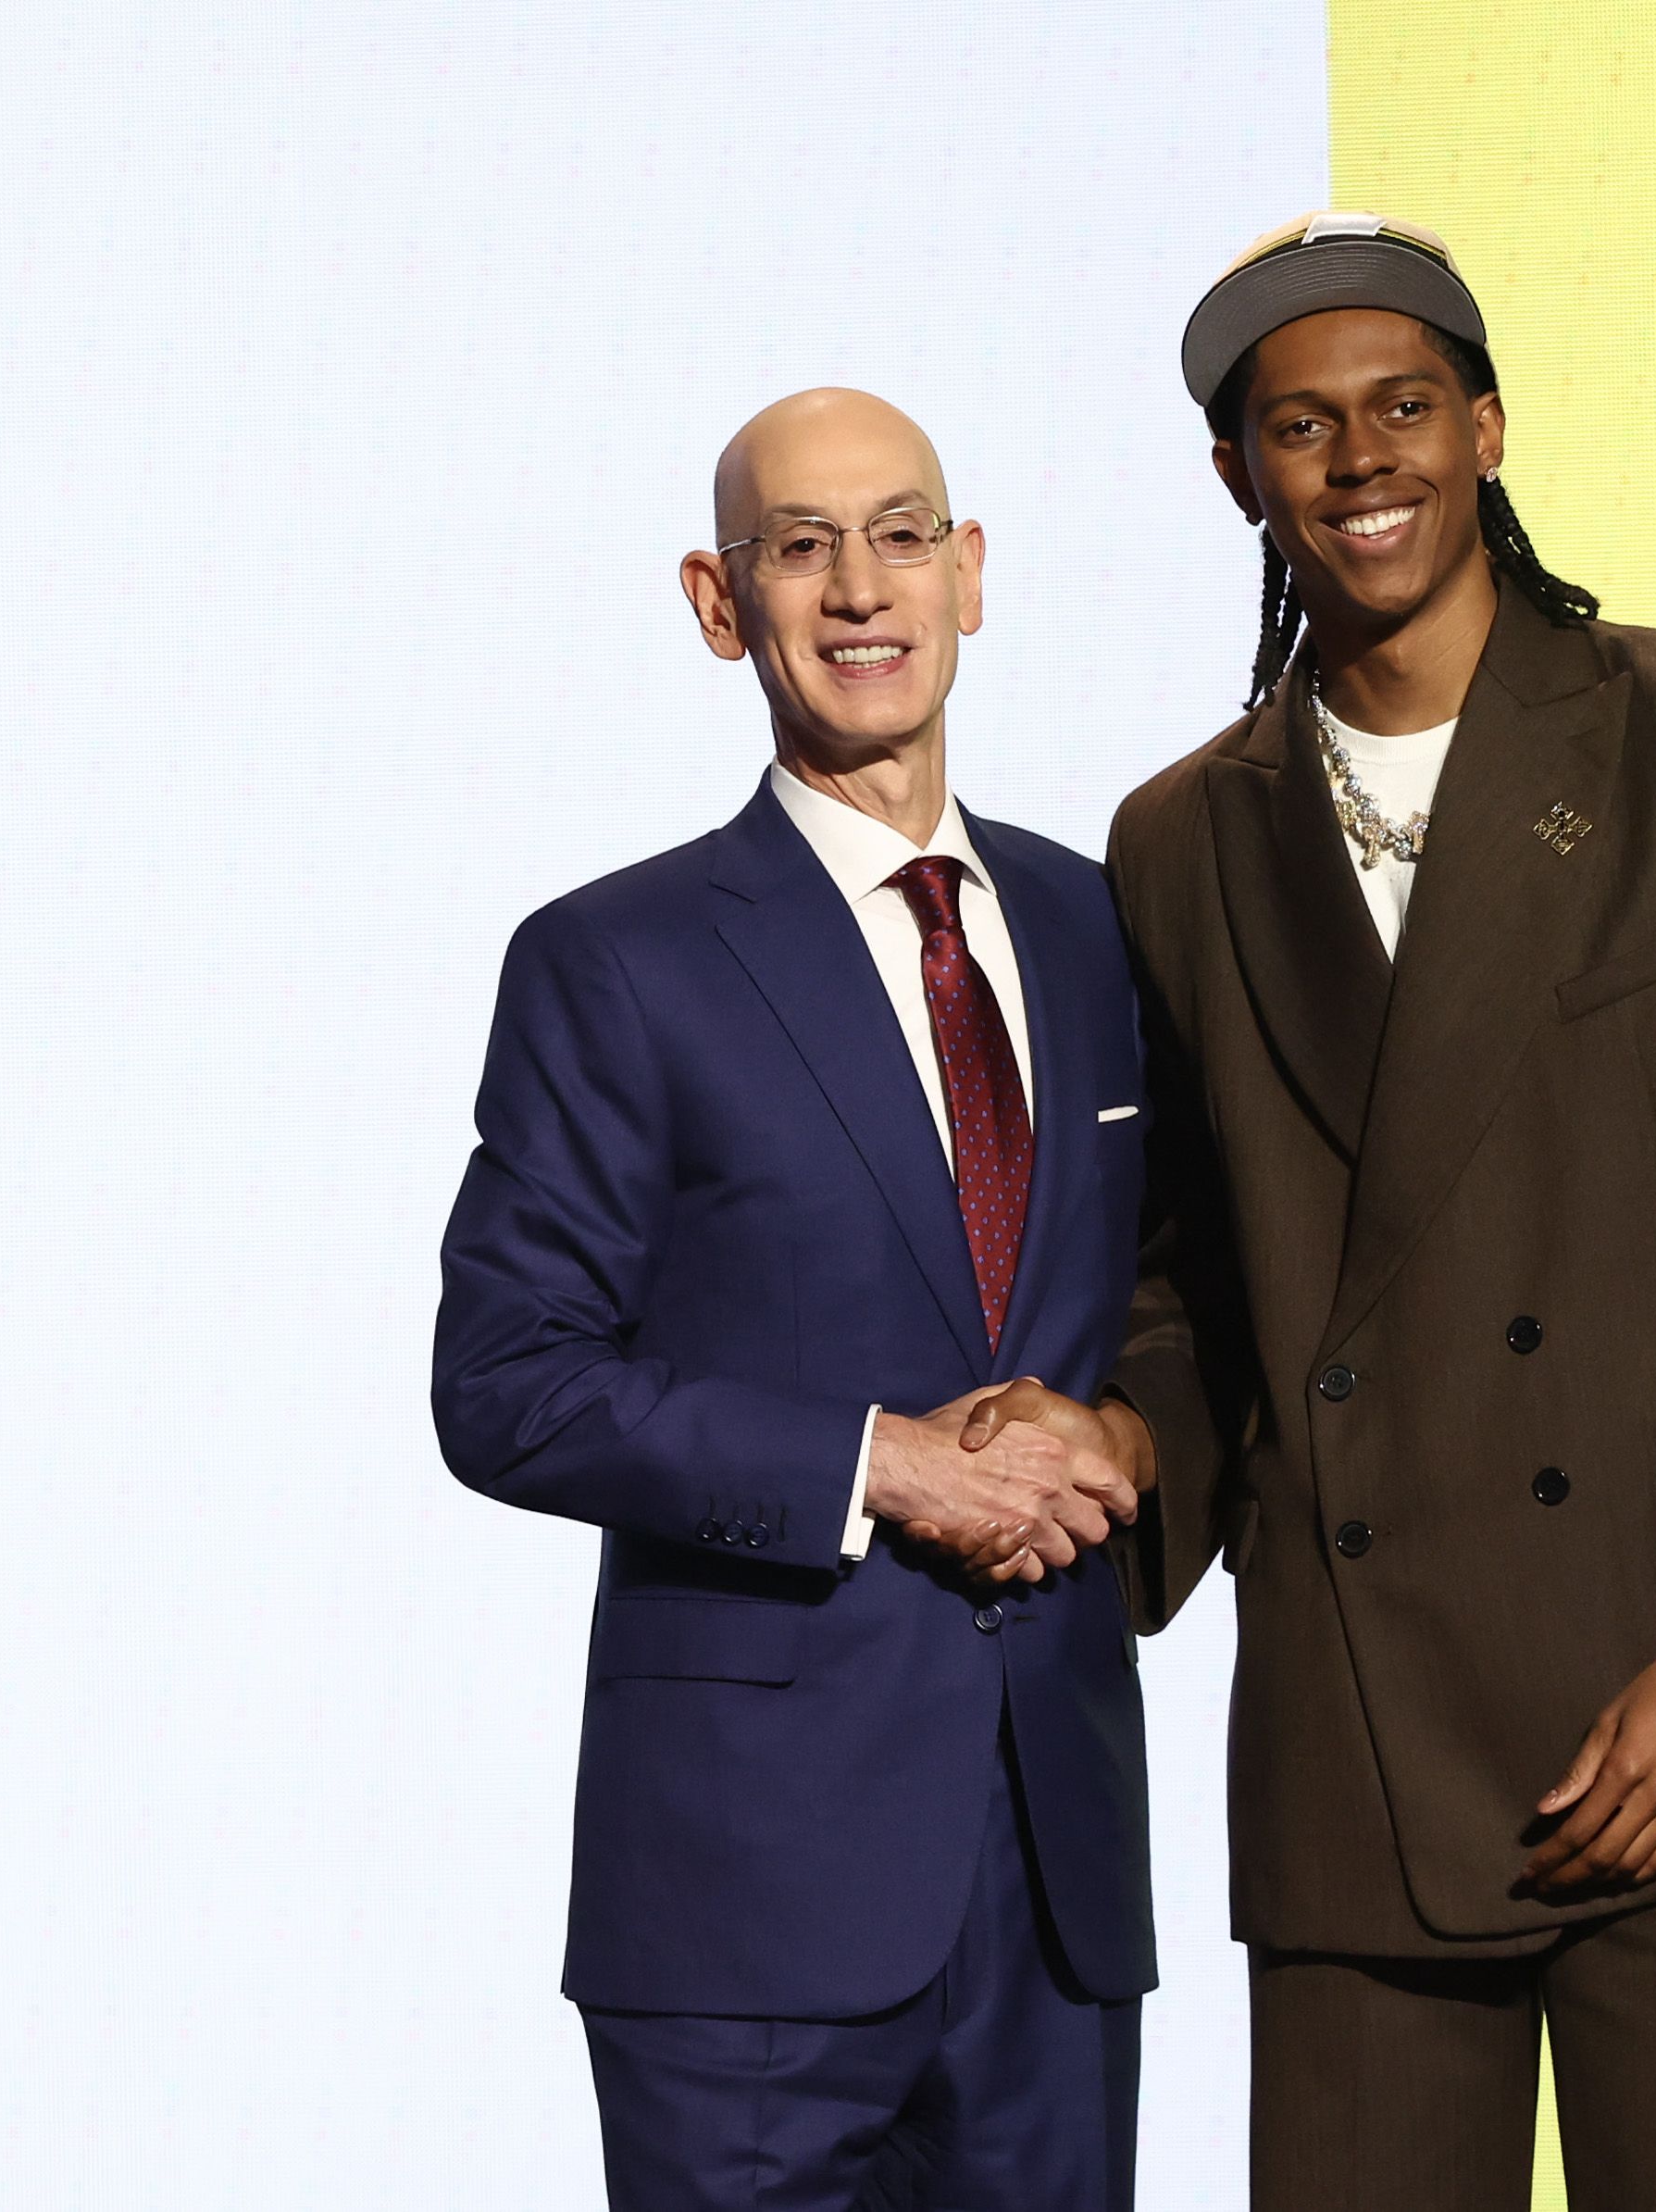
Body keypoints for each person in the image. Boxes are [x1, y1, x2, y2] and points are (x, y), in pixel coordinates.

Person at [966, 213, 1656, 2207]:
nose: (1362, 459)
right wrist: (1123, 1442)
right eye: (1302, 425)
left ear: (1489, 427)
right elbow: (1196, 1287)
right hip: (1356, 1743)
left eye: (1405, 406)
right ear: (1237, 475)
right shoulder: (1179, 840)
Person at [432, 388, 1156, 2211]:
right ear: (717, 600)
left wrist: (1127, 1435)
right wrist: (884, 1462)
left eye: (901, 534)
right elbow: (508, 1379)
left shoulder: (1098, 929)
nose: (859, 587)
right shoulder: (616, 960)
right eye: (800, 545)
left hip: (1054, 1881)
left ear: (968, 574)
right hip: (743, 1900)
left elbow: (1178, 1293)